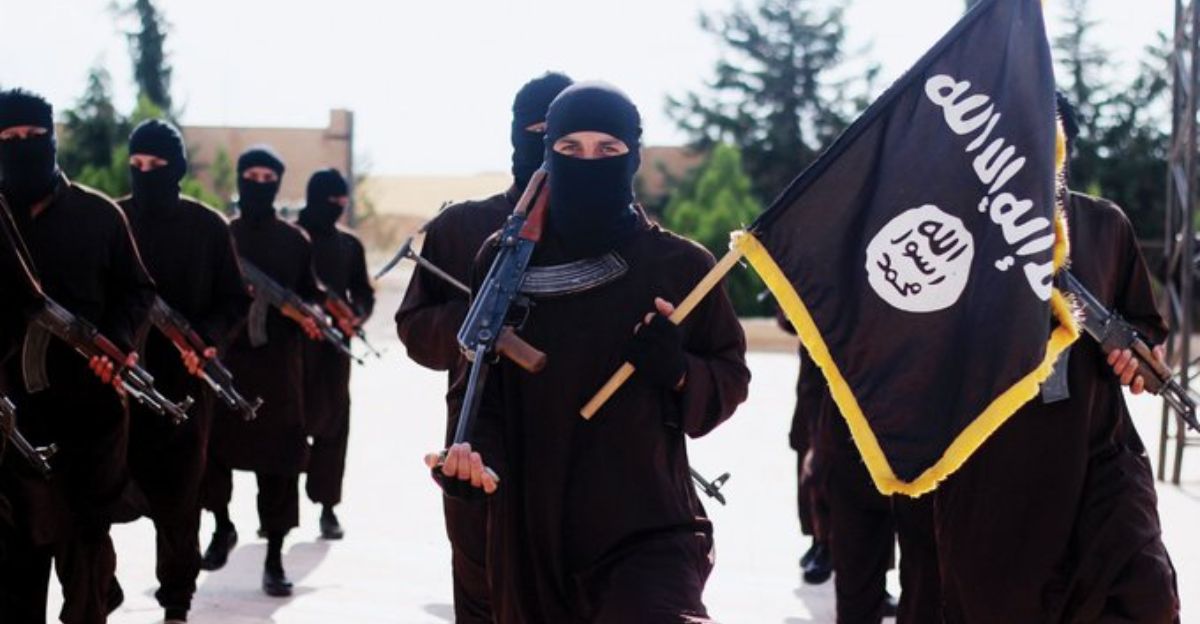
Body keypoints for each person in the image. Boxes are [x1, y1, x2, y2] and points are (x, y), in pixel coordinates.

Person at [427, 82, 750, 623]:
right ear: (548, 153)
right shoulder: (502, 260)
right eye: (570, 148)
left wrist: (678, 372)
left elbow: (730, 377)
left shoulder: (681, 266)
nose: (589, 161)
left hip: (647, 525)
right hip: (532, 531)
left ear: (633, 155)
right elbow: (477, 389)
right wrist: (472, 461)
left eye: (608, 148)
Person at [929, 94, 1180, 622]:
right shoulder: (955, 233)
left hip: (1099, 459)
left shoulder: (1106, 226)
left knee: (1147, 594)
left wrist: (1138, 362)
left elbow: (1146, 333)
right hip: (993, 474)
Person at [395, 70, 571, 623]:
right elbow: (413, 326)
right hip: (475, 448)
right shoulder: (461, 226)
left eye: (559, 138)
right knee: (481, 590)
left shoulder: (616, 236)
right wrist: (477, 323)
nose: (544, 148)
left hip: (575, 446)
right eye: (534, 133)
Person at [0, 88, 155, 624]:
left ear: (53, 138)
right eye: (9, 138)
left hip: (89, 414)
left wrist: (117, 343)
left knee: (85, 555)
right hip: (10, 415)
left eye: (33, 136)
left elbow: (137, 291)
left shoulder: (99, 215)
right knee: (15, 560)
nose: (22, 146)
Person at [115, 119, 250, 623]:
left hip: (184, 383)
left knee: (179, 499)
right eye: (136, 164)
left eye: (155, 164)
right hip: (115, 382)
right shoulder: (113, 219)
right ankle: (97, 584)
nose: (144, 173)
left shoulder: (207, 227)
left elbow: (234, 299)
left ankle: (177, 599)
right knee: (99, 490)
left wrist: (205, 341)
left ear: (177, 168)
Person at [201, 146, 321, 597]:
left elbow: (309, 292)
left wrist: (306, 313)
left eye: (267, 177)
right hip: (226, 361)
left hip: (277, 367)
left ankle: (274, 556)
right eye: (250, 176)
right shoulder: (221, 234)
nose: (258, 184)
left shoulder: (295, 241)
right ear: (239, 179)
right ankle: (221, 525)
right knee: (213, 451)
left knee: (280, 463)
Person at [296, 168, 374, 540]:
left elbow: (364, 292)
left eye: (342, 201)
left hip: (335, 349)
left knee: (334, 424)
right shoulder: (292, 238)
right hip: (293, 348)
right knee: (290, 424)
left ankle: (328, 508)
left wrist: (355, 316)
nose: (338, 207)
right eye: (332, 201)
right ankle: (278, 515)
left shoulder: (349, 245)